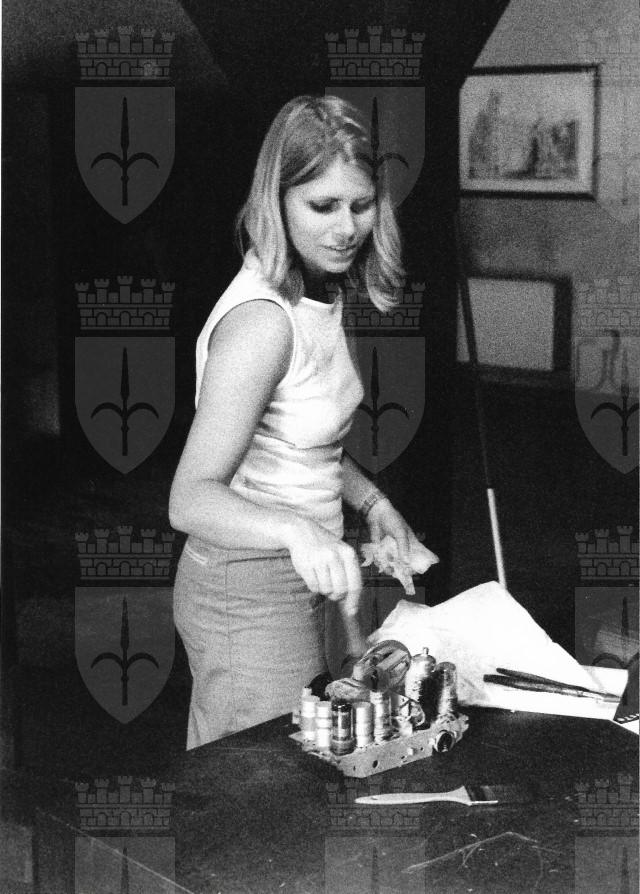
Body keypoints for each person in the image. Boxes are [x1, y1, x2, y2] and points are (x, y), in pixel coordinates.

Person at [169, 95, 433, 749]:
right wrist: (297, 531)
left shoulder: (320, 290)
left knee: (318, 767)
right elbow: (189, 498)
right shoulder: (262, 323)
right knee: (258, 791)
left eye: (361, 204)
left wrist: (373, 503)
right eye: (323, 206)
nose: (347, 228)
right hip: (244, 584)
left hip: (309, 568)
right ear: (278, 199)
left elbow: (302, 443)